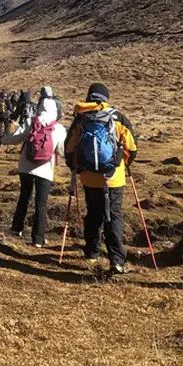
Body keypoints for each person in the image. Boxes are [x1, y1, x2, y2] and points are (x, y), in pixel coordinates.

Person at [65, 83, 138, 276]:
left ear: (89, 96)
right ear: (106, 98)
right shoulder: (118, 117)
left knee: (93, 214)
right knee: (113, 215)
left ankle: (91, 252)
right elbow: (132, 148)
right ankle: (117, 261)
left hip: (89, 177)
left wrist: (76, 168)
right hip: (114, 178)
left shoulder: (81, 118)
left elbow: (69, 148)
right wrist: (121, 163)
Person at [1, 86, 66, 247]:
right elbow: (61, 150)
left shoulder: (31, 121)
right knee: (41, 204)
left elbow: (16, 138)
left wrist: (2, 139)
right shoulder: (58, 128)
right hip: (44, 169)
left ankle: (16, 228)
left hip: (25, 166)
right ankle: (38, 238)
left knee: (24, 196)